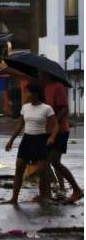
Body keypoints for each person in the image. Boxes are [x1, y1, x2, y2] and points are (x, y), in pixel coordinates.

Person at [0, 82, 57, 206]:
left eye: (28, 92)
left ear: (36, 93)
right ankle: (14, 198)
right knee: (19, 168)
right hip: (27, 139)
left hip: (40, 139)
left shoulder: (47, 108)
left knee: (41, 169)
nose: (26, 94)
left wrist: (52, 137)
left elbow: (56, 125)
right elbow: (20, 125)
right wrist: (11, 140)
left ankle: (44, 193)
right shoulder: (25, 107)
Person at [40, 71, 83, 203]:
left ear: (46, 74)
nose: (39, 75)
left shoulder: (58, 86)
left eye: (40, 73)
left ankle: (76, 189)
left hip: (60, 130)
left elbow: (65, 108)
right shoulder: (44, 88)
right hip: (47, 130)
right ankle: (47, 193)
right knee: (45, 162)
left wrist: (55, 121)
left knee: (54, 161)